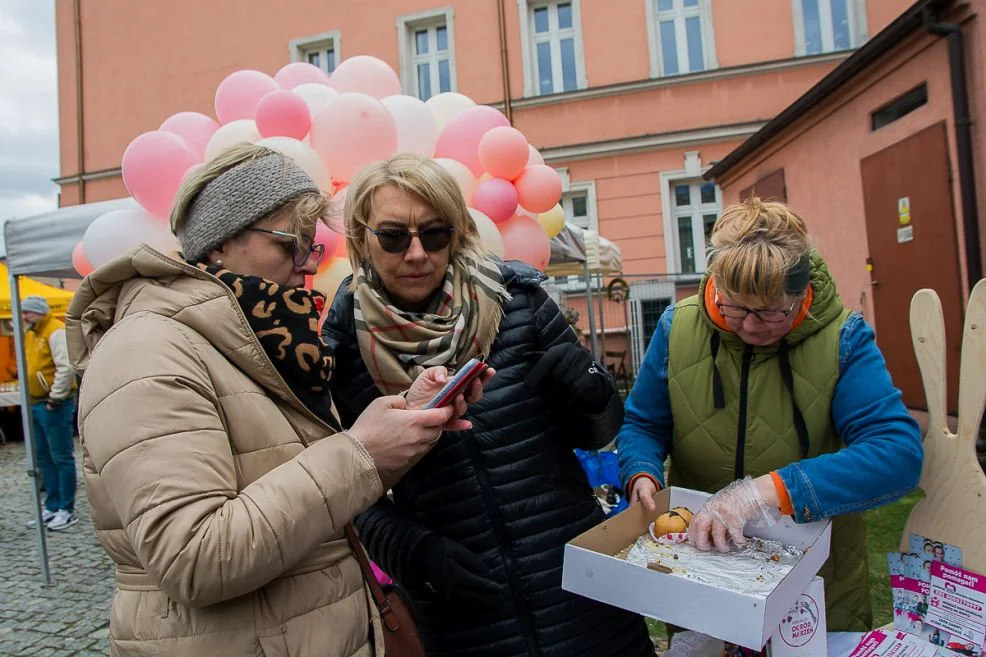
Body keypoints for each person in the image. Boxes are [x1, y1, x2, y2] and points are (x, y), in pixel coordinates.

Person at [64, 144, 488, 656]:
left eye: (312, 248)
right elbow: (194, 558)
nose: (308, 267)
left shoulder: (260, 344)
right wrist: (361, 452)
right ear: (219, 243)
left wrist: (405, 423)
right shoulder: (146, 351)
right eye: (293, 244)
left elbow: (307, 490)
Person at [322, 153, 655, 657]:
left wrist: (590, 387)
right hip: (465, 609)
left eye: (433, 234)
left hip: (578, 583)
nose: (415, 254)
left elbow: (597, 431)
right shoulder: (342, 344)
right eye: (393, 237)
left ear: (455, 232)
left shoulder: (515, 300)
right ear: (363, 238)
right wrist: (414, 552)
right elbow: (344, 489)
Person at [616, 198, 923, 631]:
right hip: (700, 565)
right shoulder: (676, 327)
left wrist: (764, 492)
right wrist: (641, 469)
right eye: (735, 308)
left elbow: (898, 455)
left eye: (772, 311)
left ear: (801, 292)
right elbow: (644, 423)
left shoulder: (843, 338)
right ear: (717, 285)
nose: (751, 327)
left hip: (815, 581)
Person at [23, 295, 78, 530]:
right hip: (36, 402)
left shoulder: (55, 331)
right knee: (44, 457)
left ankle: (67, 508)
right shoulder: (31, 334)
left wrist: (55, 397)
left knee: (61, 456)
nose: (24, 316)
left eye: (27, 312)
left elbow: (65, 367)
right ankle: (52, 505)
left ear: (39, 312)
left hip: (54, 403)